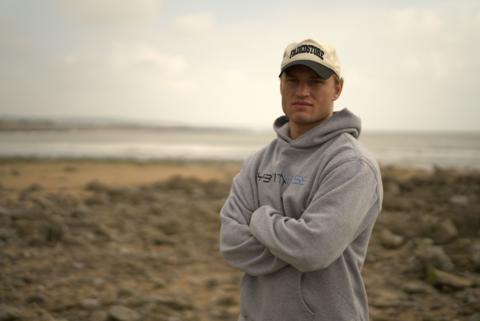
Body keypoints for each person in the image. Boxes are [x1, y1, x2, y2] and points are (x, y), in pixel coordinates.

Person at [219, 38, 383, 321]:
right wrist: (292, 242)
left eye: (316, 82)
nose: (303, 91)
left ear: (337, 89)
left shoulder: (352, 164)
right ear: (280, 85)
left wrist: (259, 220)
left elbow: (312, 250)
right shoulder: (258, 162)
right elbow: (232, 244)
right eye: (293, 80)